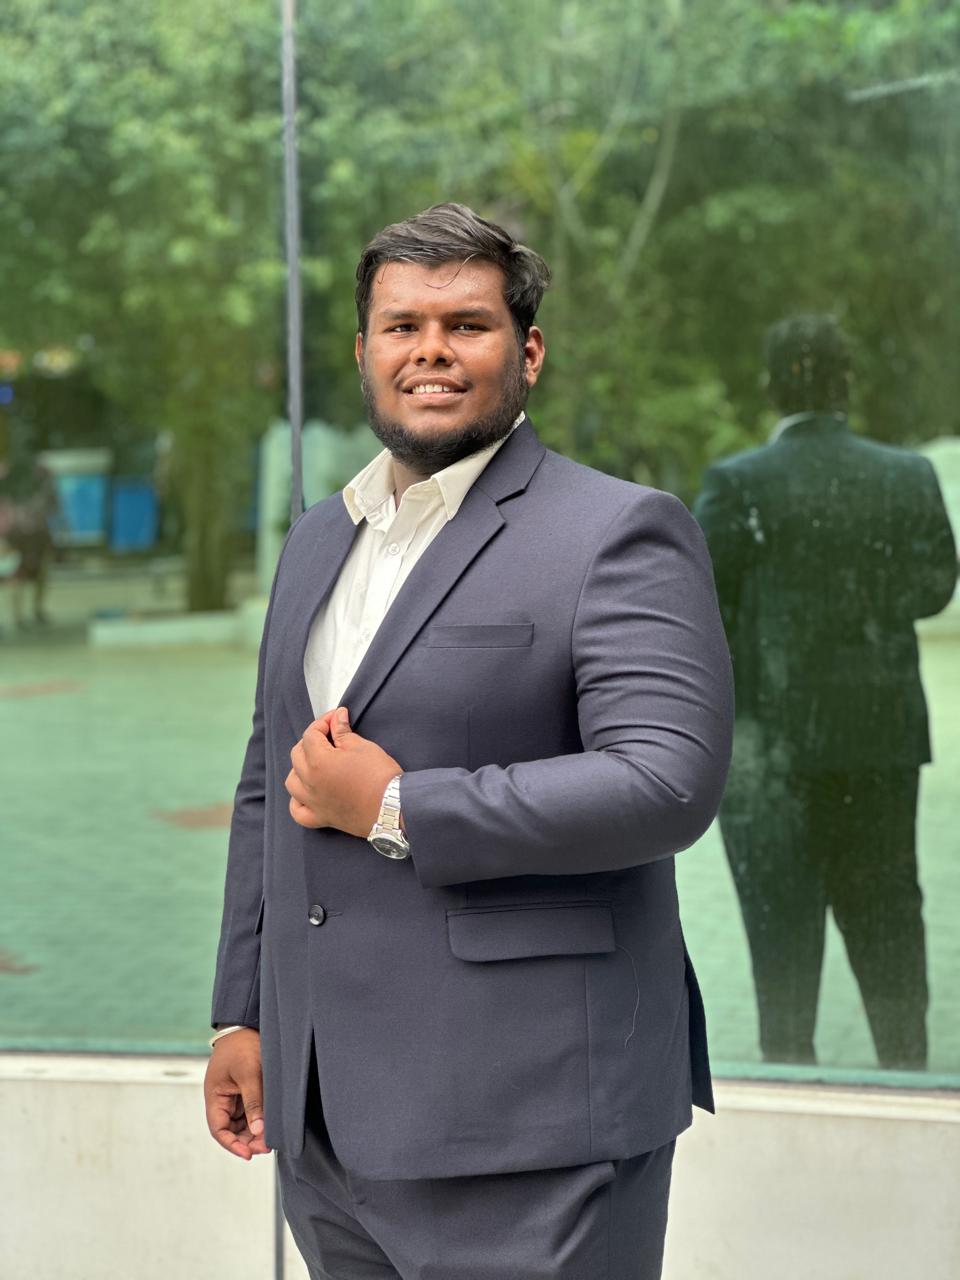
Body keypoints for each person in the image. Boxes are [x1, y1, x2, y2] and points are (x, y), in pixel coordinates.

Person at [205, 203, 734, 1279]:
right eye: (402, 326)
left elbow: (665, 782)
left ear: (527, 352)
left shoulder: (618, 530)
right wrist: (243, 1015)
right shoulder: (318, 537)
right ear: (363, 351)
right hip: (327, 1124)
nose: (431, 350)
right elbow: (273, 778)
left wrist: (401, 808)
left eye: (468, 325)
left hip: (535, 1126)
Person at [693, 314, 957, 1070]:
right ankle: (910, 1090)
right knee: (890, 939)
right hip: (878, 744)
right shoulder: (906, 475)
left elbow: (701, 607)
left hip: (770, 758)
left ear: (771, 387)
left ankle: (793, 1102)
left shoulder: (739, 483)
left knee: (782, 964)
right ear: (847, 383)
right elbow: (935, 587)